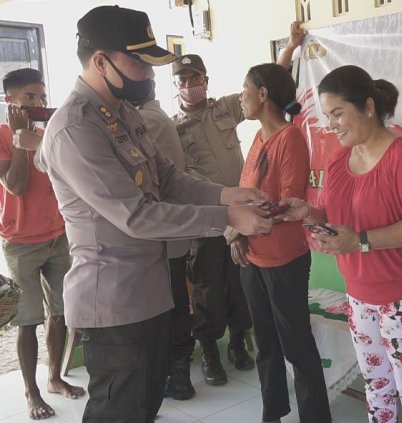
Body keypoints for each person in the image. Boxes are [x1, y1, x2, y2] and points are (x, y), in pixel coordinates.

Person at [35, 6, 272, 422]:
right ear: (101, 61)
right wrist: (227, 220)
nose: (148, 73)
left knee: (144, 407)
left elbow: (168, 178)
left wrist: (228, 194)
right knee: (118, 411)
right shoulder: (76, 128)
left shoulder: (122, 113)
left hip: (150, 291)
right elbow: (137, 216)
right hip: (113, 300)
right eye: (139, 62)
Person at [280, 65, 402, 423]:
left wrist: (361, 242)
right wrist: (308, 212)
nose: (331, 124)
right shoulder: (339, 158)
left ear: (368, 107)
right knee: (376, 385)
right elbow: (333, 213)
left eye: (338, 113)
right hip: (359, 293)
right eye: (327, 116)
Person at [229, 62, 332, 423]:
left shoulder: (289, 138)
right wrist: (237, 233)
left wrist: (239, 227)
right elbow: (245, 197)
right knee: (266, 347)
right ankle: (272, 413)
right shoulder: (258, 138)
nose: (240, 96)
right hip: (253, 259)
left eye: (245, 89)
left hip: (284, 260)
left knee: (297, 348)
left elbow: (285, 204)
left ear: (262, 94)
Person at [1, 68, 85, 420]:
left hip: (58, 235)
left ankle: (53, 378)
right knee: (27, 319)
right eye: (30, 97)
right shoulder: (4, 136)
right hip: (21, 242)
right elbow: (16, 186)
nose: (38, 103)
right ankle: (31, 391)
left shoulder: (49, 131)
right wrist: (21, 137)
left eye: (41, 96)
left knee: (61, 313)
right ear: (11, 101)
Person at [172, 54, 255, 386]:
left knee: (241, 284)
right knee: (208, 290)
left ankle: (238, 344)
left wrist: (291, 47)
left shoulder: (225, 109)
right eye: (183, 80)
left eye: (196, 79)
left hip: (240, 216)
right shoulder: (170, 126)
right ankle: (209, 351)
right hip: (205, 221)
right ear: (175, 86)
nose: (190, 86)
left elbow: (263, 86)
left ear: (206, 80)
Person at [133, 89, 196, 401]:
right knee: (177, 304)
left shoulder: (143, 120)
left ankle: (178, 373)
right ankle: (179, 372)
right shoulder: (157, 116)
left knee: (168, 310)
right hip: (170, 233)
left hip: (162, 233)